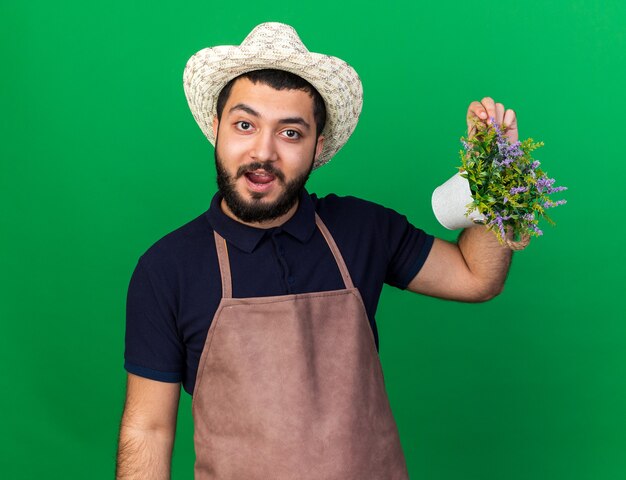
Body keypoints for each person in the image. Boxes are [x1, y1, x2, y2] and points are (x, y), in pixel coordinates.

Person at [116, 22, 517, 480]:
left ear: (317, 147)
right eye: (245, 125)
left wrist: (496, 173)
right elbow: (147, 429)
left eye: (290, 133)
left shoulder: (363, 229)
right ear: (217, 128)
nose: (262, 152)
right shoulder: (167, 268)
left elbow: (477, 276)